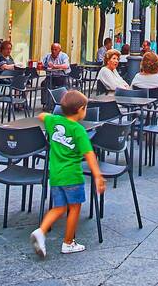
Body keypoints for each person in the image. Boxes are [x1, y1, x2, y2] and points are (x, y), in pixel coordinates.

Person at [32, 89, 104, 256]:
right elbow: (89, 155)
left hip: (56, 175)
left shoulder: (54, 122)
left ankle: (41, 231)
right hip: (72, 176)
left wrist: (48, 117)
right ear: (80, 110)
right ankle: (68, 242)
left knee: (59, 207)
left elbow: (42, 116)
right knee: (74, 209)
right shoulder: (78, 130)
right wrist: (98, 175)